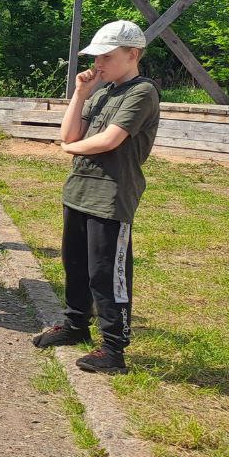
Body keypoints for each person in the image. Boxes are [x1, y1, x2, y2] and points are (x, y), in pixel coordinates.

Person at [32, 21, 160, 375]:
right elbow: (69, 132)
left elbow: (109, 140)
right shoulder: (102, 92)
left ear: (132, 54)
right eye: (96, 57)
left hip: (111, 197)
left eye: (106, 56)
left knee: (107, 273)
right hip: (79, 191)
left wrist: (69, 148)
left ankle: (114, 349)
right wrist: (80, 93)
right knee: (75, 266)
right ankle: (75, 325)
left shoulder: (141, 92)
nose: (98, 64)